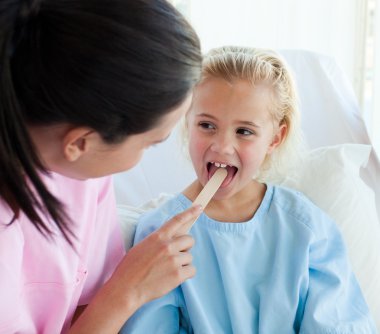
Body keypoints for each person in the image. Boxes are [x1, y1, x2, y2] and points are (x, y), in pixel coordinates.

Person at [121, 46, 377, 333]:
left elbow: (338, 324)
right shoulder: (160, 234)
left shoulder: (306, 227)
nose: (222, 146)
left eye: (244, 131)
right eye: (207, 125)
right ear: (188, 123)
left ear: (274, 139)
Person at [0, 0, 204, 333]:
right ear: (81, 143)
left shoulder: (84, 175)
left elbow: (85, 305)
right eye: (150, 143)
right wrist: (128, 291)